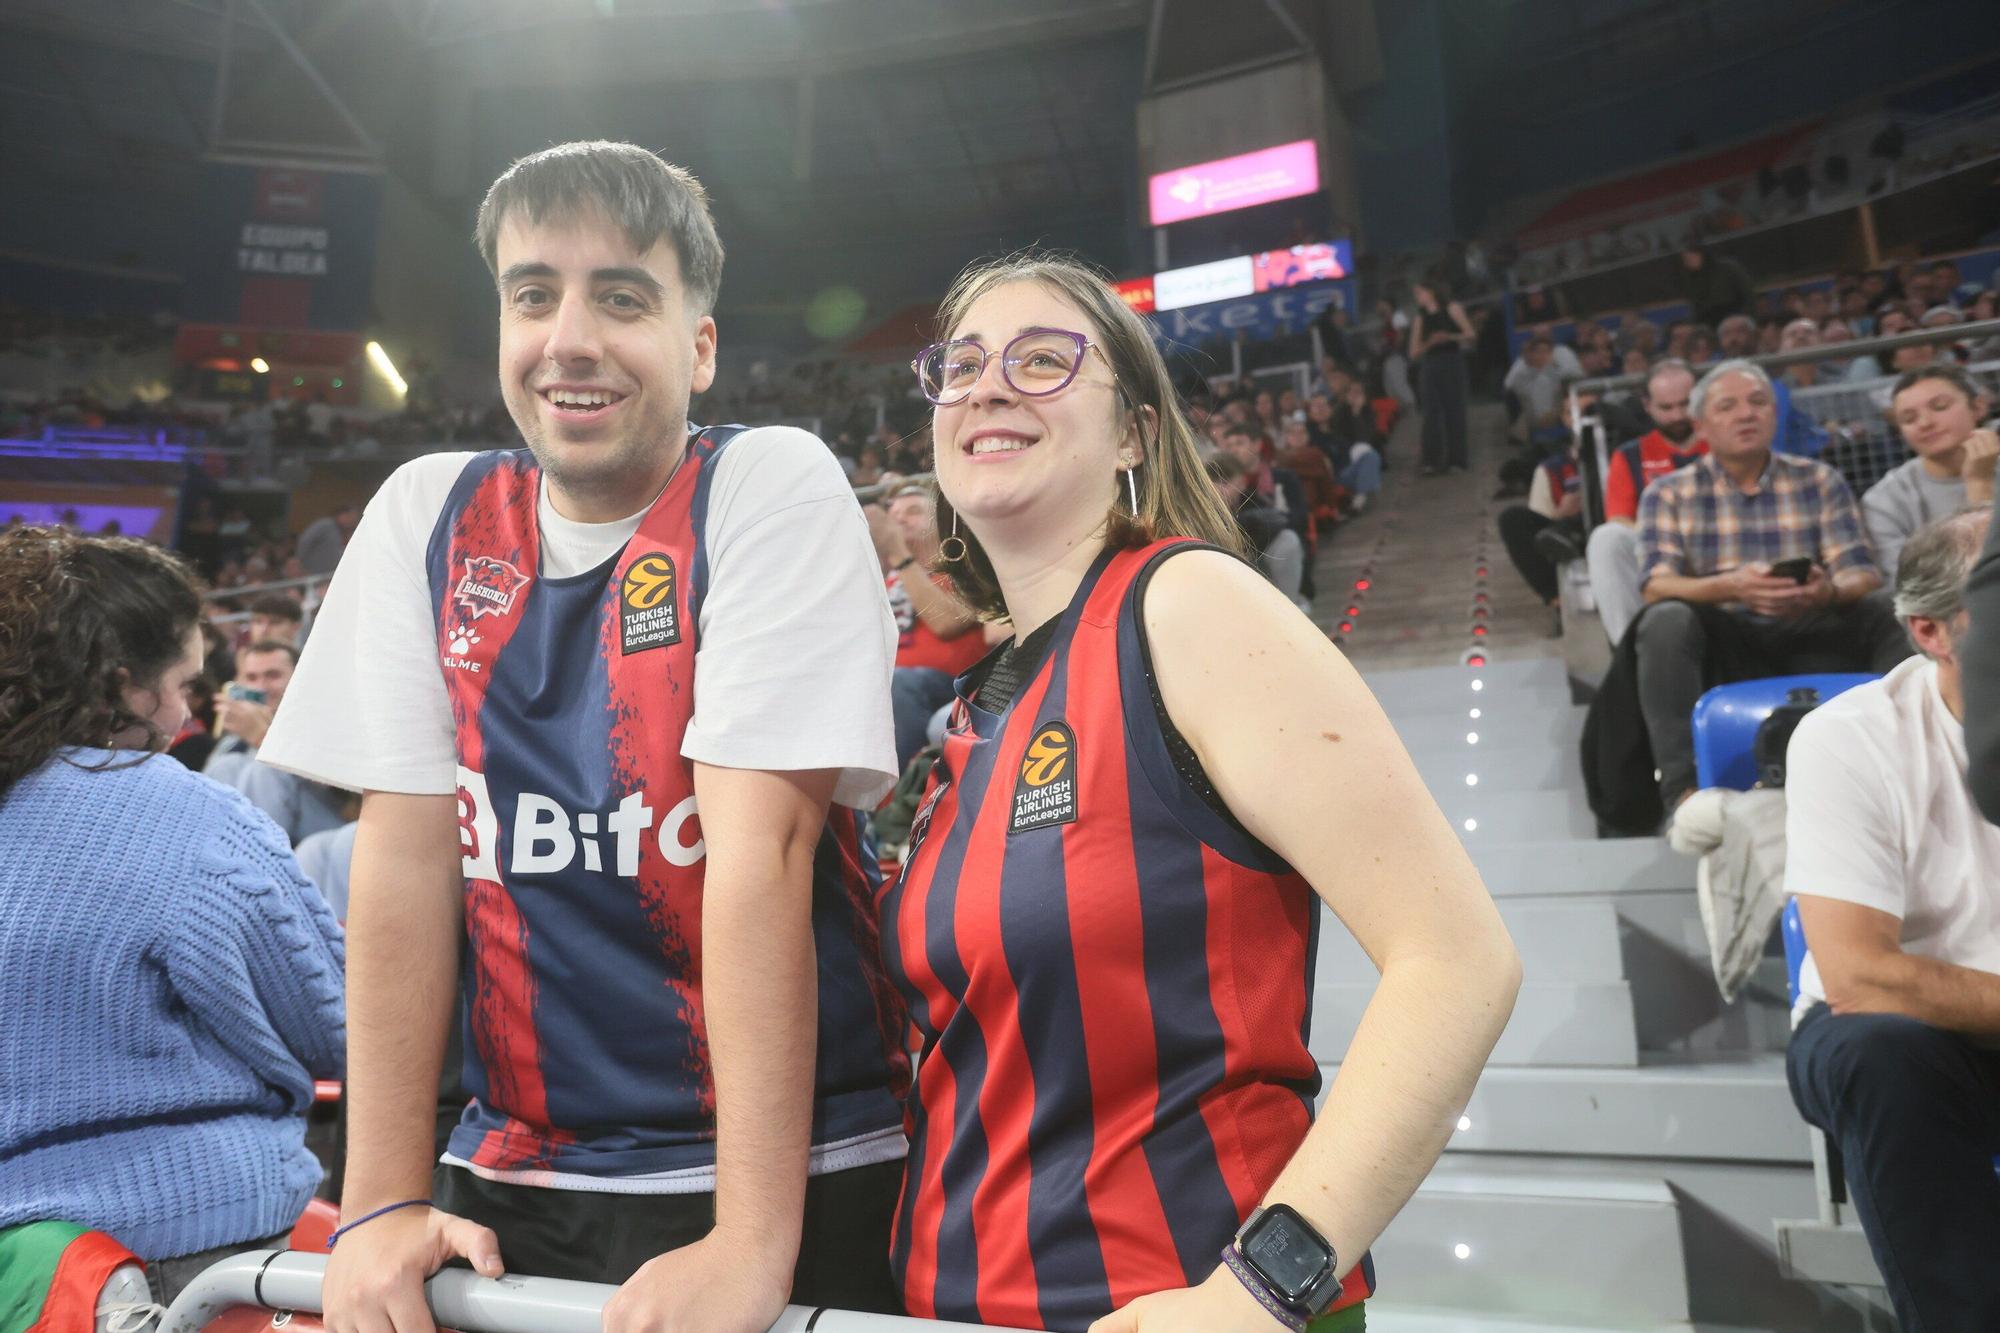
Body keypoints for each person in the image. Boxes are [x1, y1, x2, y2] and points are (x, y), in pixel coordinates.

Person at [259, 141, 911, 1333]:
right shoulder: (425, 511)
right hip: (508, 1176)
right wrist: (376, 1202)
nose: (569, 336)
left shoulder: (766, 485)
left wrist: (750, 1239)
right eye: (531, 294)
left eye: (622, 296)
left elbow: (757, 857)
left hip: (785, 1170)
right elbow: (405, 865)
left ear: (700, 345)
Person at [885, 252, 1520, 1332]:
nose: (987, 385)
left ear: (1132, 432)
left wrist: (1265, 1285)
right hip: (950, 1305)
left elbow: (1456, 961)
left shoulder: (1185, 606)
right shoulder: (973, 704)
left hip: (1177, 1303)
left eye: (1042, 360)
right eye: (961, 365)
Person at [0, 527, 345, 1304]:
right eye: (183, 685)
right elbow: (339, 1024)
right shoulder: (186, 817)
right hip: (179, 1263)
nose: (187, 714)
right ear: (125, 685)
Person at [1784, 509, 2000, 1331]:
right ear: (1930, 631)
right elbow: (1861, 977)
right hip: (1903, 1035)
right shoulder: (1848, 738)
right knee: (1884, 1053)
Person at [1634, 359, 1911, 810]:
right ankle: (1684, 794)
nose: (1747, 414)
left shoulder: (1819, 480)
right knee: (1665, 620)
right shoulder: (1667, 492)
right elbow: (1656, 586)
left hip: (1813, 622)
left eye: (1758, 402)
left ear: (1774, 415)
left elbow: (1860, 571)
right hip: (1725, 635)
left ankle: (1912, 762)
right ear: (1701, 425)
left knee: (1889, 606)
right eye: (1728, 406)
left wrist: (1828, 590)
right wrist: (1733, 587)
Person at [1587, 360, 1708, 645]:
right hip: (1659, 552)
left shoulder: (1724, 443)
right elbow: (1619, 519)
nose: (1678, 415)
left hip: (1723, 545)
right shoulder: (1630, 455)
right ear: (1648, 406)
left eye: (1685, 404)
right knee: (1607, 538)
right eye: (1666, 408)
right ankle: (1629, 649)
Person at [871, 482, 987, 771]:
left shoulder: (969, 570)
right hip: (886, 686)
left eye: (912, 511)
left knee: (901, 683)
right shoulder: (884, 582)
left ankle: (895, 806)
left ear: (941, 522)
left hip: (950, 689)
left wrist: (899, 554)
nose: (897, 519)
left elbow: (946, 623)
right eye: (893, 513)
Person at [1865, 365, 1998, 578]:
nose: (1925, 423)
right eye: (1909, 419)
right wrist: (1978, 483)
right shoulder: (1884, 500)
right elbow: (1911, 587)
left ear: (1978, 407)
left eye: (1940, 406)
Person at [1411, 279, 1476, 475]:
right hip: (1431, 364)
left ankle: (1457, 459)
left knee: (1454, 409)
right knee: (1431, 412)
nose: (1418, 297)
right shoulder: (1419, 319)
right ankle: (1431, 460)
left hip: (1452, 360)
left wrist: (1450, 337)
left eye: (1420, 292)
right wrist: (1430, 342)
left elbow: (1470, 334)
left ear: (1431, 292)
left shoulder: (1452, 308)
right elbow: (1413, 352)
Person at [1680, 244, 1755, 328]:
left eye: (1691, 257)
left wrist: (1746, 317)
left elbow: (1747, 292)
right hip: (1711, 324)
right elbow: (1695, 308)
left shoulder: (1727, 268)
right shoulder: (1692, 280)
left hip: (1737, 317)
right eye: (1685, 259)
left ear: (1701, 255)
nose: (1688, 262)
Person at [297, 504, 359, 577]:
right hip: (313, 573)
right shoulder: (325, 525)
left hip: (330, 576)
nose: (351, 521)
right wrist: (300, 563)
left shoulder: (348, 532)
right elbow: (305, 541)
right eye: (349, 517)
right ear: (341, 515)